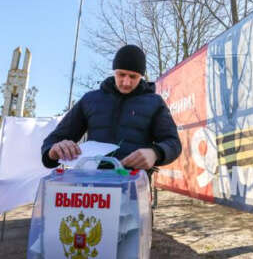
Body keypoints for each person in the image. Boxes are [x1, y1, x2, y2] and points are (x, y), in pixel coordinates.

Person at [41, 44, 182, 171]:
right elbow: (52, 140)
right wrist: (52, 151)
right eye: (121, 74)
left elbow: (173, 143)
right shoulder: (90, 100)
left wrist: (155, 153)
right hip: (92, 185)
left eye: (133, 77)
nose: (126, 82)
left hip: (134, 186)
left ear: (141, 76)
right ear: (114, 71)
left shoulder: (155, 103)